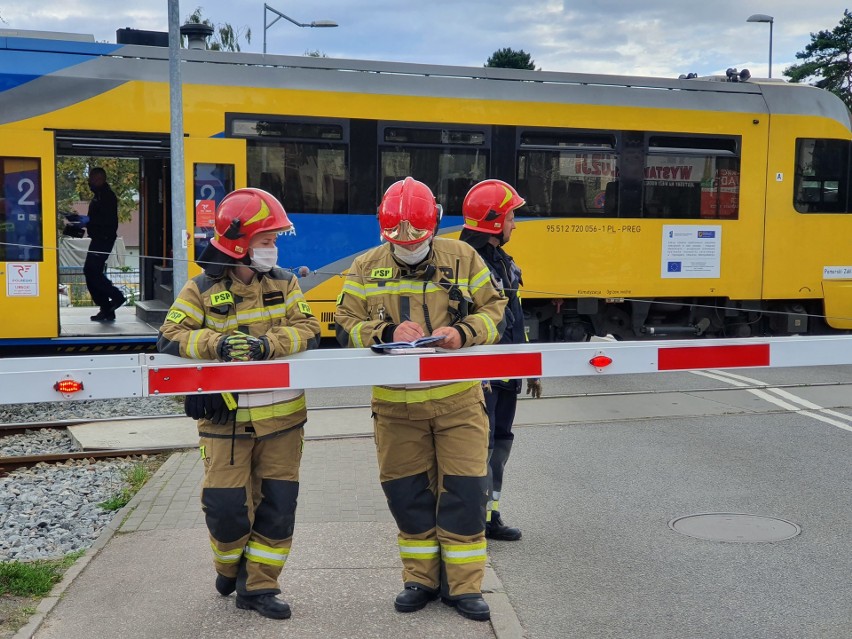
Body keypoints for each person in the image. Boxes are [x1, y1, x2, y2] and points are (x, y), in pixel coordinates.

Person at [335, 177, 508, 622]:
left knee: (466, 493)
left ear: (434, 227)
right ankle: (420, 581)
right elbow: (344, 323)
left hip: (459, 401)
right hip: (396, 407)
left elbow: (495, 309)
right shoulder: (364, 266)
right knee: (408, 495)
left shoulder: (463, 257)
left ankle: (465, 587)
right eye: (397, 240)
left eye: (419, 238)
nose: (408, 246)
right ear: (383, 232)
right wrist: (387, 333)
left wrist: (463, 333)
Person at [157, 188, 321, 620]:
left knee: (277, 508)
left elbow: (309, 328)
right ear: (240, 244)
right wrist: (218, 344)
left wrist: (269, 344)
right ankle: (229, 567)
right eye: (267, 240)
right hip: (224, 422)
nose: (273, 248)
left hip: (283, 422)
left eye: (273, 240)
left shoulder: (285, 282)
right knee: (227, 512)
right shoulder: (201, 288)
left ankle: (259, 588)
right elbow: (169, 335)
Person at [460, 179, 542, 543]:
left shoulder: (504, 263)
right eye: (511, 216)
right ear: (494, 221)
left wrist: (529, 366)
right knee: (480, 445)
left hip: (506, 373)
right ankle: (470, 519)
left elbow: (517, 319)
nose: (515, 223)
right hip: (481, 376)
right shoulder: (463, 262)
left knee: (500, 442)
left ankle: (490, 516)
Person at [83, 167, 126, 322]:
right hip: (99, 238)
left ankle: (116, 297)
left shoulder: (106, 196)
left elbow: (106, 221)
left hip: (104, 239)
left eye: (92, 179)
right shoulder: (98, 196)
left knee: (91, 271)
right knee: (92, 271)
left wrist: (88, 221)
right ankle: (107, 309)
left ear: (100, 179)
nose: (90, 182)